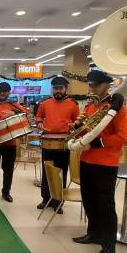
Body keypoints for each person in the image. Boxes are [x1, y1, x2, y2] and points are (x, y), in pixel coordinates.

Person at [72, 70, 127, 253]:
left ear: (107, 85)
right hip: (87, 160)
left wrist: (96, 144)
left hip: (105, 164)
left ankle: (108, 250)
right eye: (90, 84)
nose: (91, 88)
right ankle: (94, 233)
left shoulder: (117, 108)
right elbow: (86, 131)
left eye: (95, 85)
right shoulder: (91, 107)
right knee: (88, 200)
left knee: (105, 207)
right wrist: (77, 132)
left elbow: (123, 137)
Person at [35, 77, 79, 213]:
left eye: (60, 88)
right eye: (55, 88)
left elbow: (78, 121)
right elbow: (38, 118)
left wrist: (74, 126)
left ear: (66, 88)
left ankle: (58, 201)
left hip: (63, 143)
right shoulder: (45, 103)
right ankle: (45, 198)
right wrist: (40, 123)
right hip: (47, 141)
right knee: (47, 171)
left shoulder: (73, 104)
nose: (58, 91)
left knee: (61, 172)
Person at [0, 82, 29, 203]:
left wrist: (15, 113)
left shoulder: (14, 105)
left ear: (8, 93)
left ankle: (6, 192)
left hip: (10, 144)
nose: (2, 93)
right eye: (0, 91)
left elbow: (27, 114)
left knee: (8, 170)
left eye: (5, 91)